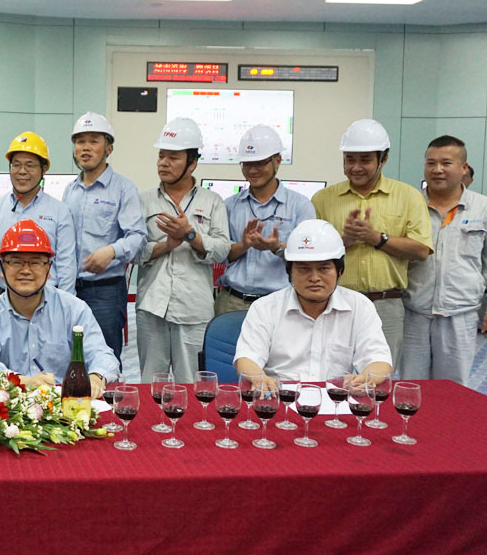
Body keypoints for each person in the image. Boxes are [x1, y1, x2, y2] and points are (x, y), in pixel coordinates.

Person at [311, 118, 432, 370]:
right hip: (336, 302)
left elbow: (421, 249)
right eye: (349, 160)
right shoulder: (323, 199)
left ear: (383, 159)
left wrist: (377, 238)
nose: (356, 167)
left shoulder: (408, 196)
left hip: (387, 305)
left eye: (365, 160)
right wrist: (344, 241)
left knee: (379, 376)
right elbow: (309, 255)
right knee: (332, 374)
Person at [402, 136, 487, 385]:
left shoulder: (482, 208)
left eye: (446, 163)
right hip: (413, 314)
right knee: (410, 387)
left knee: (452, 389)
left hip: (460, 315)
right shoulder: (410, 205)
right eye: (431, 163)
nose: (437, 169)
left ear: (464, 168)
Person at [234, 219, 393, 382]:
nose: (314, 278)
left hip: (335, 394)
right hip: (279, 393)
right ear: (290, 272)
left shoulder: (360, 306)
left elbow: (379, 360)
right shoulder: (265, 308)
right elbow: (247, 358)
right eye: (304, 269)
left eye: (324, 268)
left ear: (339, 271)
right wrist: (259, 379)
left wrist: (366, 380)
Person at [0, 220, 116, 396]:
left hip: (65, 403)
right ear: (2, 268)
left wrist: (96, 377)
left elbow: (102, 354)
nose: (26, 270)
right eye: (16, 262)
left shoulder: (73, 309)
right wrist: (24, 382)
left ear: (49, 268)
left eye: (35, 262)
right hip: (10, 404)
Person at [136, 118, 230, 383]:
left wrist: (190, 235)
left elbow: (222, 250)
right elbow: (133, 252)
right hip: (152, 306)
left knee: (192, 383)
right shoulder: (143, 201)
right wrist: (166, 245)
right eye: (161, 156)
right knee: (151, 382)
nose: (163, 163)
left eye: (173, 157)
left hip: (194, 308)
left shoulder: (212, 202)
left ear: (192, 163)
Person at [61, 112, 146, 361]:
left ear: (109, 148)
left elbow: (138, 236)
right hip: (70, 289)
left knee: (105, 359)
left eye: (93, 141)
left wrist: (111, 251)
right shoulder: (70, 190)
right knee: (70, 358)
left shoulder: (123, 189)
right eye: (80, 141)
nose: (85, 147)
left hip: (105, 292)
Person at [215, 125, 316, 315]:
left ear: (277, 161)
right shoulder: (228, 206)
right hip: (232, 302)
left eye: (260, 163)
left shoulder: (300, 206)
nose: (252, 170)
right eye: (247, 164)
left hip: (279, 304)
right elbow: (220, 255)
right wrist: (244, 245)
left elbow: (309, 258)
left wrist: (277, 247)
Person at [0, 131, 77, 302]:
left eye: (30, 165)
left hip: (48, 298)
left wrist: (66, 307)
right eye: (16, 165)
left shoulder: (60, 211)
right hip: (4, 298)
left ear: (44, 169)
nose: (22, 171)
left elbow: (66, 266)